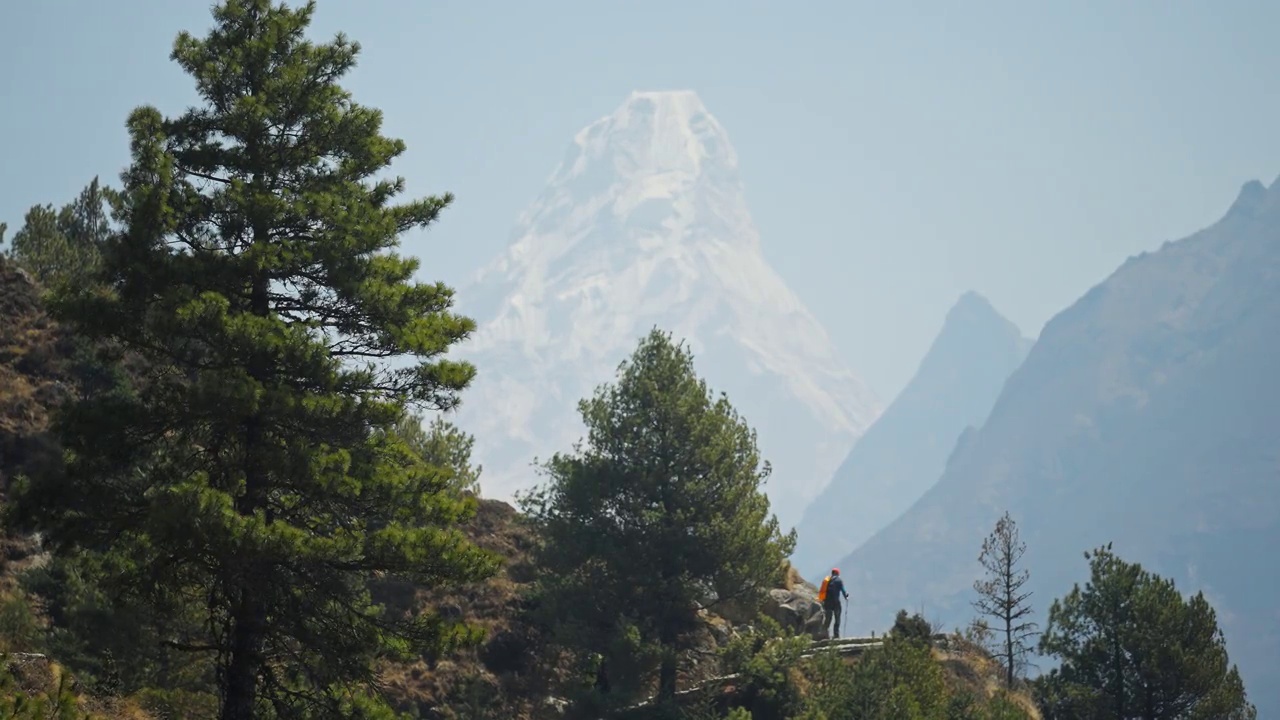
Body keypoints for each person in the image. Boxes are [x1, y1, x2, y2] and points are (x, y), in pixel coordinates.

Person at [820, 568, 849, 639]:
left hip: (827, 603)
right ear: (837, 573)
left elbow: (822, 591)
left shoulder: (827, 581)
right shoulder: (839, 580)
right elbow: (843, 590)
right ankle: (836, 635)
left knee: (828, 618)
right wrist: (846, 596)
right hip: (836, 603)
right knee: (837, 618)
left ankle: (824, 635)